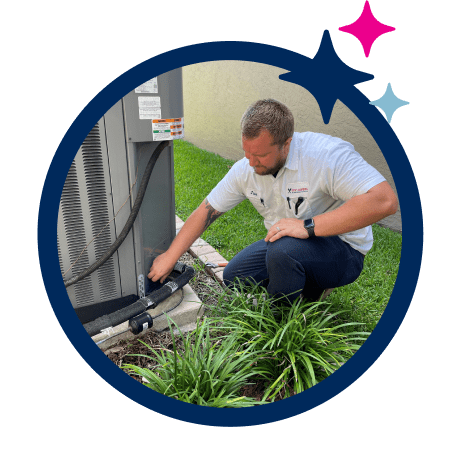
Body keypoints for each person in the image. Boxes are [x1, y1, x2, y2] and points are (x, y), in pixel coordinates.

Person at [148, 99, 398, 303]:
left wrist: (307, 226)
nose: (251, 162)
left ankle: (281, 321)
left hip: (343, 250)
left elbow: (384, 201)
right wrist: (171, 256)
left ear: (286, 144)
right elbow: (207, 211)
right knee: (235, 276)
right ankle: (304, 285)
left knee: (283, 252)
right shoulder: (246, 168)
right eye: (247, 152)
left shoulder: (326, 156)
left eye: (260, 155)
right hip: (288, 243)